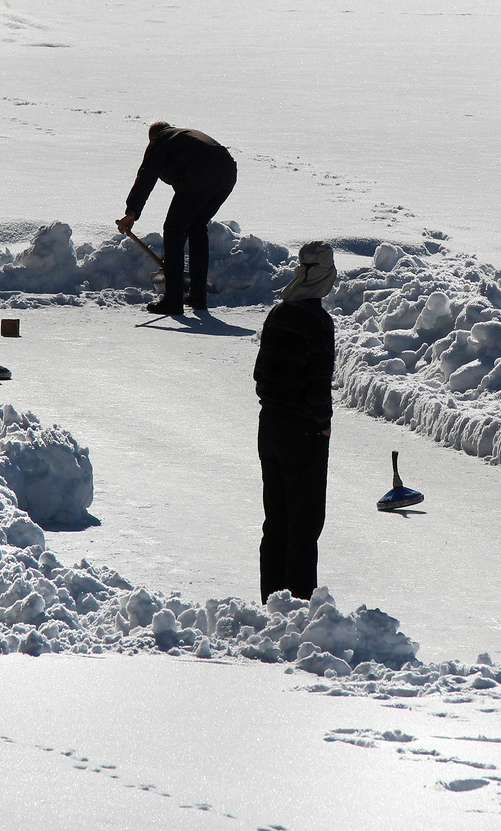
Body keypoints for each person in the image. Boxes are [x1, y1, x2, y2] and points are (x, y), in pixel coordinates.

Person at [253, 241, 337, 602]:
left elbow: (260, 373)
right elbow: (318, 384)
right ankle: (299, 607)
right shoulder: (318, 321)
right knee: (304, 526)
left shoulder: (278, 313)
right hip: (302, 430)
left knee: (276, 522)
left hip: (269, 424)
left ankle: (272, 602)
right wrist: (322, 422)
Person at [117, 122, 238, 314]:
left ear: (152, 138)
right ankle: (198, 297)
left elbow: (146, 175)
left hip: (200, 175)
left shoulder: (161, 140)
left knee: (173, 230)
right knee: (197, 227)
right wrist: (173, 252)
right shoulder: (183, 138)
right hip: (227, 174)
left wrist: (131, 212)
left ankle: (173, 301)